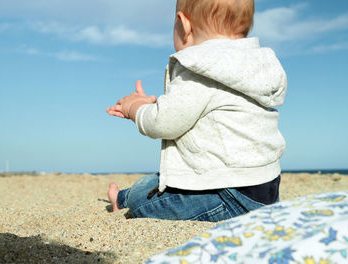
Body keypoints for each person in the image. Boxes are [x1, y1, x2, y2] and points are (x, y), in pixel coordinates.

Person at [105, 0, 287, 221]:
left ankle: (122, 200)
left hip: (225, 194)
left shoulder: (201, 67)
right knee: (161, 180)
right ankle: (124, 197)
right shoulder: (252, 69)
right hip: (265, 191)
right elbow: (200, 110)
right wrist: (155, 106)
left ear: (184, 25)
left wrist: (135, 108)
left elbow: (164, 123)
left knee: (144, 194)